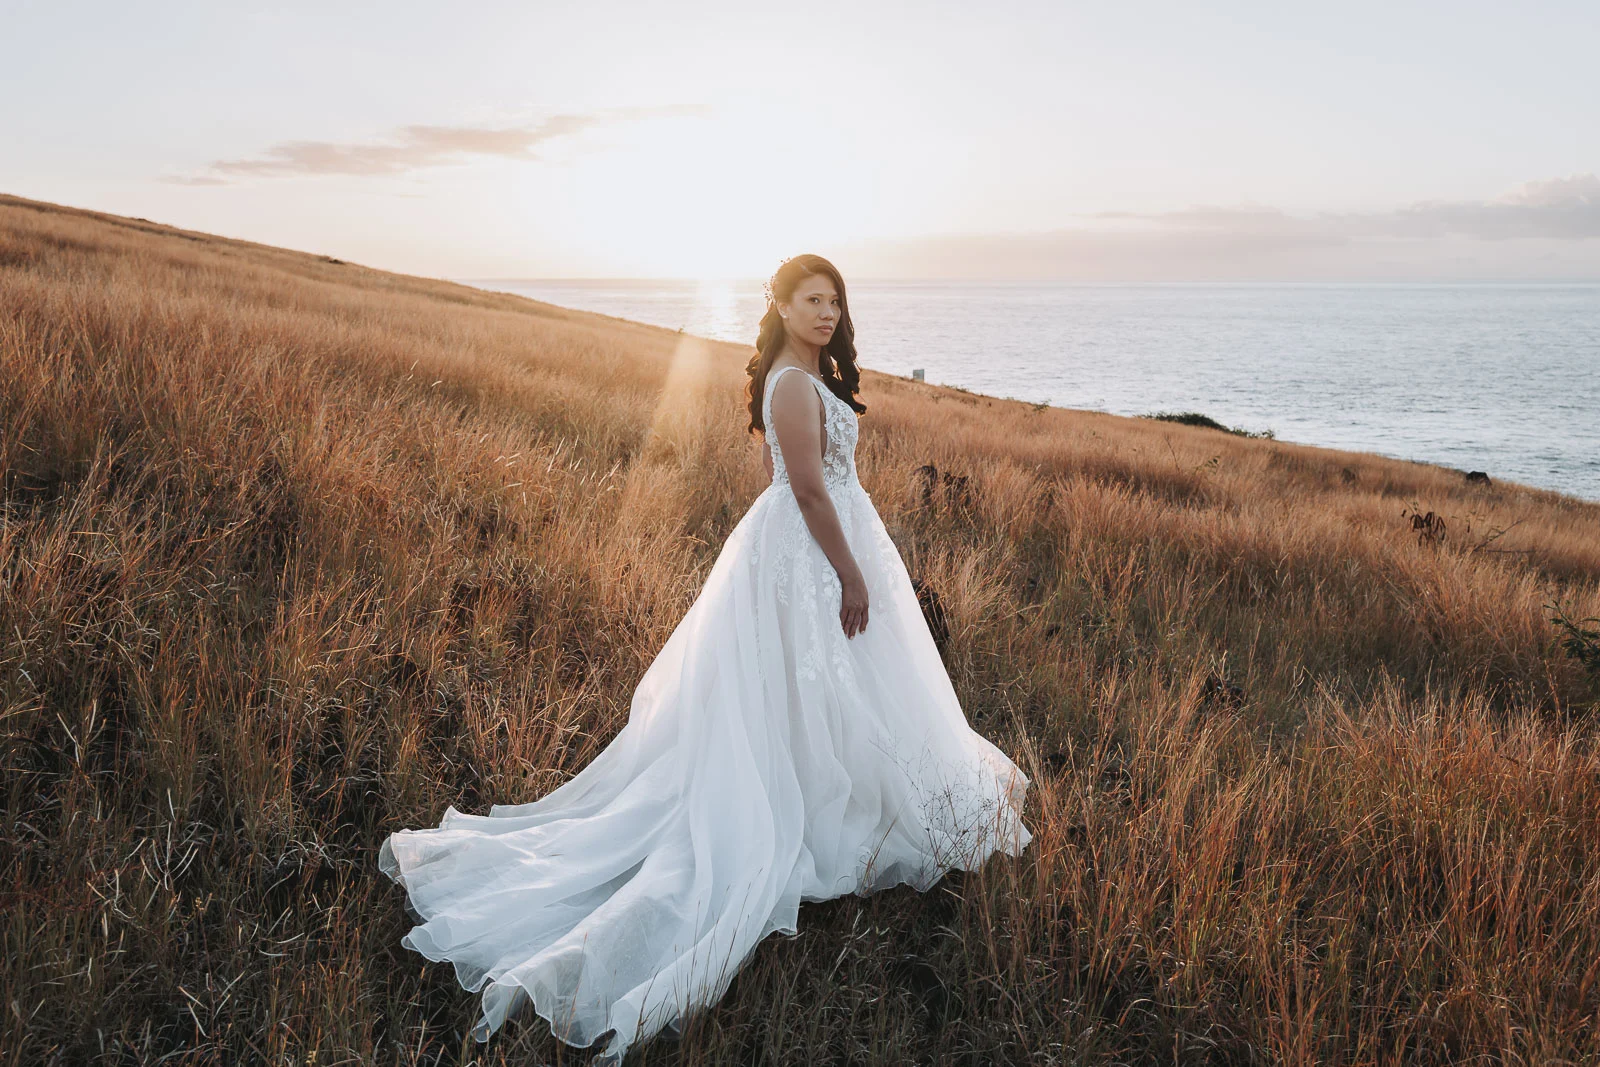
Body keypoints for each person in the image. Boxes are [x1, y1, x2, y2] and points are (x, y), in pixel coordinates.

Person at [378, 253, 1033, 1064]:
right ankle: (809, 805)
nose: (827, 313)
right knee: (809, 680)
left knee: (833, 684)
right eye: (812, 300)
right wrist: (850, 572)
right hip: (813, 550)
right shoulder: (791, 385)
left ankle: (841, 789)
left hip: (816, 543)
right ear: (781, 305)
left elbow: (803, 479)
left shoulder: (809, 376)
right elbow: (804, 488)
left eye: (834, 300)